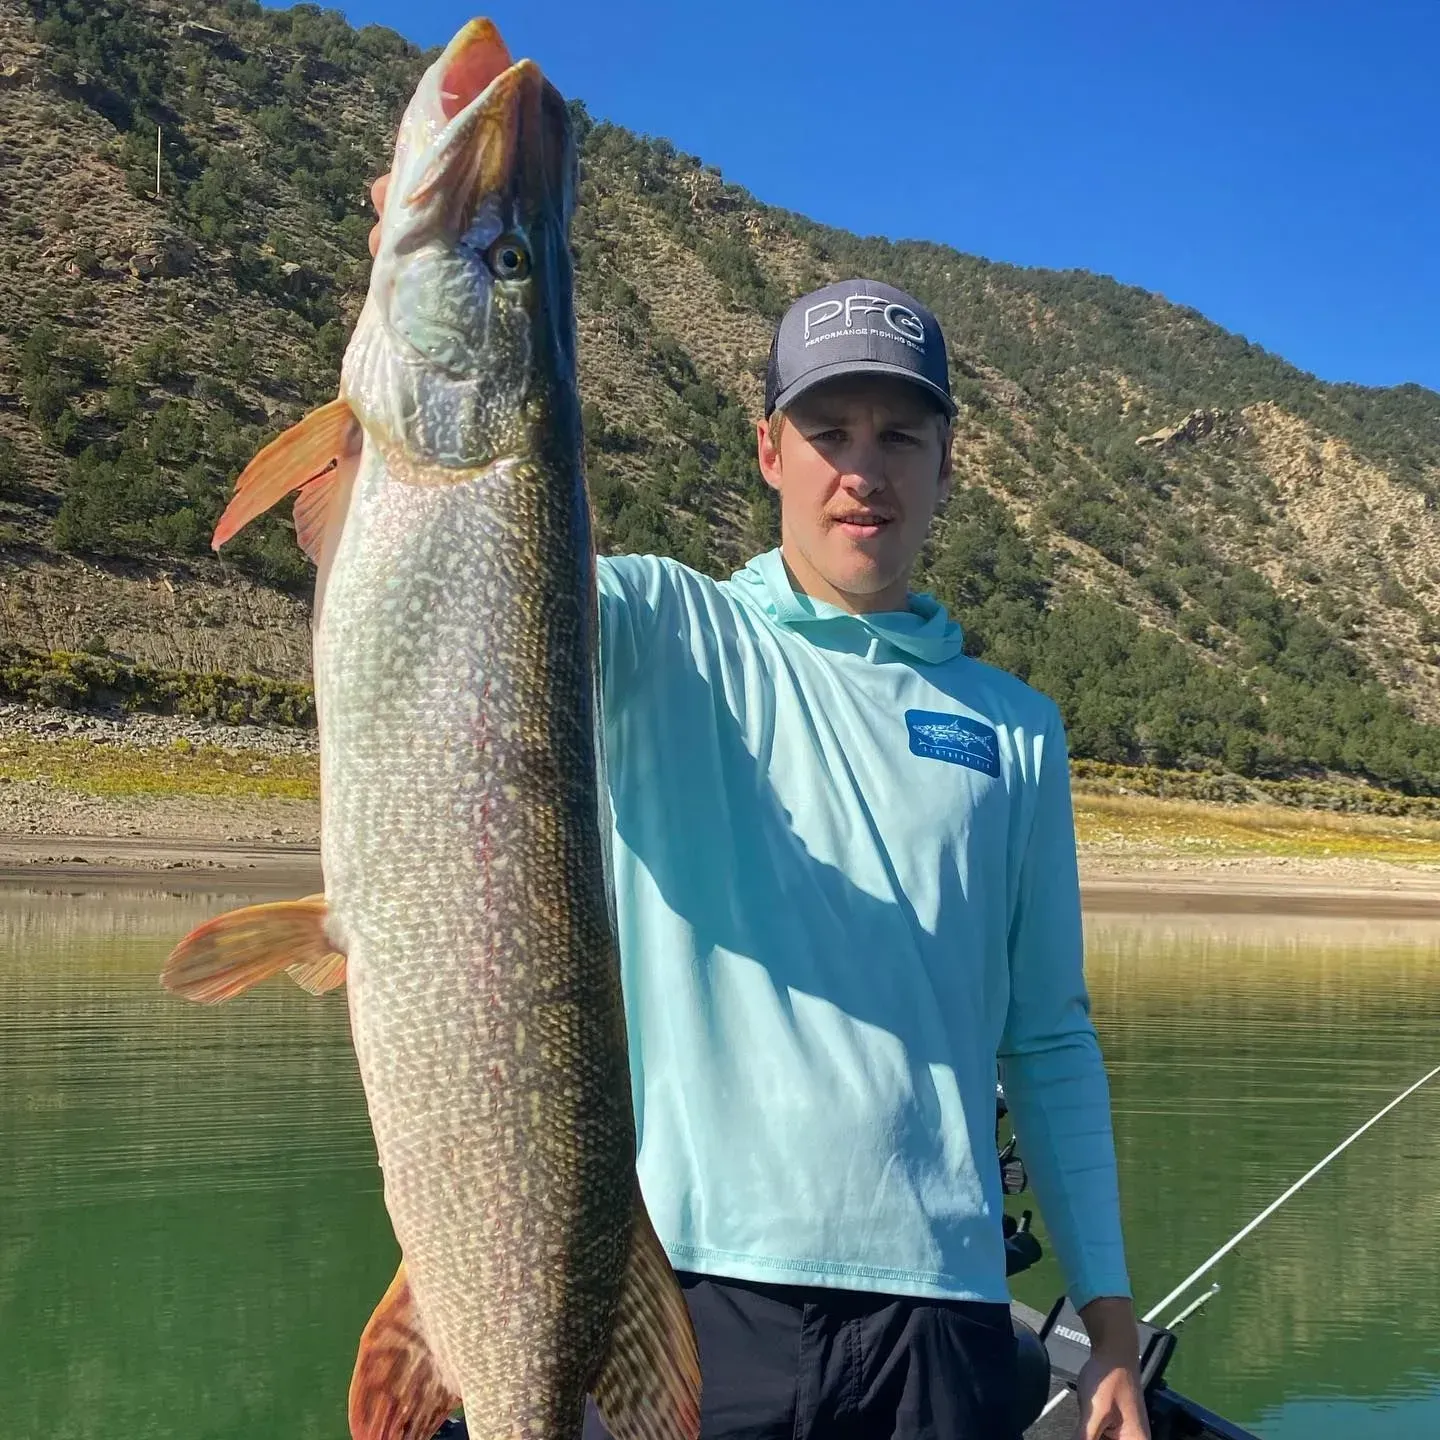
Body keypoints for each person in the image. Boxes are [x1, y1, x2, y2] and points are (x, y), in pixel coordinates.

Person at [368, 177, 1150, 1440]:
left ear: (947, 463)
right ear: (768, 450)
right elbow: (465, 541)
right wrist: (427, 302)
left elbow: (1048, 1037)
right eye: (828, 429)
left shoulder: (1017, 727)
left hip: (940, 1315)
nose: (863, 471)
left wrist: (1107, 1316)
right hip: (684, 1293)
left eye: (899, 436)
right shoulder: (667, 628)